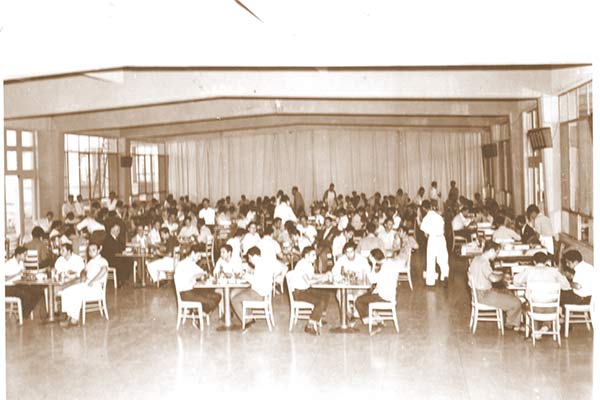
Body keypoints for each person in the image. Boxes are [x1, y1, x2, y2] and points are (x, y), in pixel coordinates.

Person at [468, 241, 523, 331]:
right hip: (484, 295)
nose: (496, 256)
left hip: (478, 293)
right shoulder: (484, 263)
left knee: (508, 292)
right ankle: (511, 324)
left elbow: (486, 273)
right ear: (491, 251)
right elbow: (493, 279)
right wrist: (503, 276)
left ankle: (513, 319)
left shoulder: (477, 258)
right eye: (496, 253)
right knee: (516, 302)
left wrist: (498, 274)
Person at [513, 252, 571, 339]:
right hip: (551, 309)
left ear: (534, 262)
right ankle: (545, 327)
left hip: (534, 308)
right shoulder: (554, 271)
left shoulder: (529, 270)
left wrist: (526, 283)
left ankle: (534, 328)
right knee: (550, 304)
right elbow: (566, 286)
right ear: (546, 261)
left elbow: (516, 281)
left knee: (524, 306)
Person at [59, 242, 108, 328]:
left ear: (99, 250)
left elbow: (104, 270)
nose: (91, 252)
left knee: (76, 292)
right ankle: (68, 315)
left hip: (95, 287)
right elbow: (84, 271)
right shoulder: (90, 262)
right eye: (89, 250)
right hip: (86, 284)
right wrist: (83, 276)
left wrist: (92, 281)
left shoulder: (102, 260)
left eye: (93, 250)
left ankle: (74, 320)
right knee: (67, 291)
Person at [352, 248, 400, 335]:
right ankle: (376, 318)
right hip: (390, 294)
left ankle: (374, 323)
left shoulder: (385, 267)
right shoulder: (389, 263)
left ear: (374, 258)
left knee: (358, 301)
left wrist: (373, 264)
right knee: (364, 295)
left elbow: (372, 279)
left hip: (384, 296)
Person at [287, 246, 331, 335]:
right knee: (320, 302)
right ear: (306, 256)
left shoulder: (308, 264)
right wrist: (322, 279)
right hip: (298, 293)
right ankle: (310, 325)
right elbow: (309, 281)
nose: (315, 257)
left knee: (326, 295)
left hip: (305, 289)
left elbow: (312, 276)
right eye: (313, 255)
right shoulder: (302, 265)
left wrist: (324, 275)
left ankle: (318, 317)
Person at [230, 247, 275, 329]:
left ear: (253, 256)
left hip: (259, 294)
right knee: (238, 293)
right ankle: (248, 316)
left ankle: (248, 320)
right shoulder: (263, 263)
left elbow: (255, 282)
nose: (249, 260)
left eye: (249, 258)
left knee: (234, 299)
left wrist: (244, 275)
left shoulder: (260, 265)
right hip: (263, 292)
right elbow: (257, 279)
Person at [174, 244, 222, 318]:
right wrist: (201, 275)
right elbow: (200, 274)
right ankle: (198, 314)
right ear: (193, 253)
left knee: (217, 296)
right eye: (198, 256)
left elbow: (201, 273)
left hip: (191, 290)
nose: (199, 259)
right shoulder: (187, 264)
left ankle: (198, 312)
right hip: (185, 293)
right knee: (211, 301)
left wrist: (202, 275)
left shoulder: (189, 263)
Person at [4, 246, 46, 319]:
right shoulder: (9, 264)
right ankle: (23, 315)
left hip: (18, 285)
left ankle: (25, 312)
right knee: (27, 295)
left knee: (39, 291)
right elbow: (4, 278)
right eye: (24, 255)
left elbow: (22, 275)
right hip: (8, 287)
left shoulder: (21, 263)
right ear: (18, 255)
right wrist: (17, 274)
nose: (26, 257)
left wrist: (29, 276)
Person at [332, 242, 371, 319]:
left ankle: (356, 313)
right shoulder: (341, 259)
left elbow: (368, 273)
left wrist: (358, 277)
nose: (350, 254)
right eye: (347, 252)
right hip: (346, 286)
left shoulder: (362, 259)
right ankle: (348, 314)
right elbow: (334, 272)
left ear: (355, 251)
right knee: (339, 294)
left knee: (359, 295)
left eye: (351, 251)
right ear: (345, 253)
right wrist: (341, 278)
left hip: (359, 286)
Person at [420, 200, 449, 287]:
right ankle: (445, 275)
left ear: (424, 208)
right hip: (441, 238)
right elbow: (443, 228)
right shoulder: (439, 216)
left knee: (431, 259)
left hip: (432, 239)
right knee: (443, 258)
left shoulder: (426, 218)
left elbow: (425, 234)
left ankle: (430, 281)